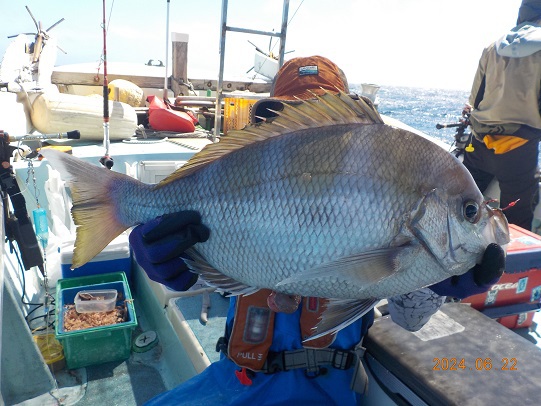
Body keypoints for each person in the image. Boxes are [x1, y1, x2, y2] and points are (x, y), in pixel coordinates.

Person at [130, 56, 505, 405]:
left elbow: (409, 319)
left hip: (330, 391)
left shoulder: (393, 201)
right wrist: (158, 256)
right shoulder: (239, 182)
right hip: (236, 380)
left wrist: (439, 283)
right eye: (288, 125)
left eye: (317, 127)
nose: (303, 141)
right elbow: (202, 281)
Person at [462, 0, 541, 231]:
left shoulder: (492, 46)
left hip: (479, 145)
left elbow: (474, 101)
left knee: (463, 209)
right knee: (516, 221)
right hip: (517, 150)